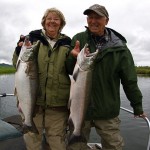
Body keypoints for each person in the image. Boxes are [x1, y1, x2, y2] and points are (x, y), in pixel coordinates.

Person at [66, 4, 146, 150]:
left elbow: (130, 80)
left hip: (107, 110)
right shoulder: (79, 39)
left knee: (114, 146)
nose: (93, 21)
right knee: (75, 146)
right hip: (80, 112)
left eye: (98, 17)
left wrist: (137, 105)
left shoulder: (120, 48)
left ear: (106, 21)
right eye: (90, 17)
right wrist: (73, 57)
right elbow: (69, 69)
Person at [12, 8, 71, 150]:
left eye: (56, 19)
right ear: (44, 22)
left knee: (57, 141)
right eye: (49, 18)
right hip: (33, 102)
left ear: (61, 23)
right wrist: (19, 49)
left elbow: (70, 69)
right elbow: (16, 64)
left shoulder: (67, 42)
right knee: (32, 140)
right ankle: (28, 124)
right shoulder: (32, 38)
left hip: (58, 103)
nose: (52, 21)